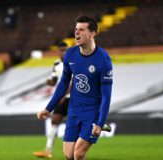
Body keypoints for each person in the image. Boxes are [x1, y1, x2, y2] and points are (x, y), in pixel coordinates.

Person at [37, 15, 113, 160]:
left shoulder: (103, 59)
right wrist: (48, 108)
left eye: (81, 30)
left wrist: (100, 121)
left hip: (92, 112)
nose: (77, 33)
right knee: (68, 155)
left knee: (78, 154)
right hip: (74, 110)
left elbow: (106, 95)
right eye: (76, 29)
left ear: (92, 33)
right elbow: (63, 84)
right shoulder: (70, 54)